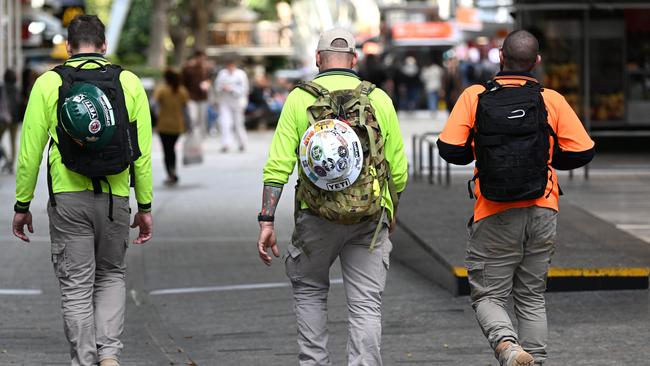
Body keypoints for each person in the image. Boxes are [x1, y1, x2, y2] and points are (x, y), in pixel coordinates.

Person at [437, 30, 595, 366]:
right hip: (542, 207)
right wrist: (546, 159)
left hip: (493, 210)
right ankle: (534, 360)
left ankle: (507, 346)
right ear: (536, 61)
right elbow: (583, 151)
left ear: (500, 57)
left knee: (488, 294)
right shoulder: (551, 99)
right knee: (532, 296)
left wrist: (480, 151)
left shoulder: (475, 96)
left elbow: (450, 149)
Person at [256, 28, 408, 365]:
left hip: (316, 215)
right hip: (369, 218)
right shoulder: (379, 98)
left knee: (310, 291)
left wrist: (266, 219)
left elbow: (278, 165)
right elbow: (398, 168)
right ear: (355, 59)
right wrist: (390, 209)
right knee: (366, 304)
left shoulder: (299, 99)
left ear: (317, 59)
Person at [11, 15, 153, 366]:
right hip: (116, 198)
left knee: (76, 286)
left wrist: (22, 203)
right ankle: (109, 356)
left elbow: (30, 152)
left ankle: (86, 360)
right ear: (104, 46)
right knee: (111, 274)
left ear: (68, 48)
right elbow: (143, 153)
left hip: (68, 198)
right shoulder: (128, 82)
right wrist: (145, 206)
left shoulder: (48, 84)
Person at [153, 68, 189, 185]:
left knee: (167, 150)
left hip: (164, 125)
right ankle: (173, 171)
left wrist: (158, 114)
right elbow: (186, 110)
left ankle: (170, 173)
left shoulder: (162, 90)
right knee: (172, 149)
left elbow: (153, 105)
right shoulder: (182, 91)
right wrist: (189, 124)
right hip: (177, 125)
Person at [214, 55, 249, 152]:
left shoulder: (241, 74)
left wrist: (232, 89)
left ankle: (242, 143)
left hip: (238, 102)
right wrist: (222, 88)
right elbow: (217, 87)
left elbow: (244, 89)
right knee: (225, 123)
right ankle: (226, 144)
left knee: (238, 124)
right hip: (225, 101)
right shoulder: (222, 74)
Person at [181, 50, 213, 136]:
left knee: (202, 117)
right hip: (191, 97)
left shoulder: (206, 68)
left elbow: (210, 79)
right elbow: (183, 82)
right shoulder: (188, 68)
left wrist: (207, 84)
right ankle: (193, 133)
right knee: (193, 117)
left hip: (203, 97)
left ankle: (201, 135)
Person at [0, 69, 23, 173]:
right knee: (13, 142)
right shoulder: (16, 89)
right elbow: (19, 104)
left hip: (3, 119)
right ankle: (11, 163)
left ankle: (6, 158)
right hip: (14, 119)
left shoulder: (2, 88)